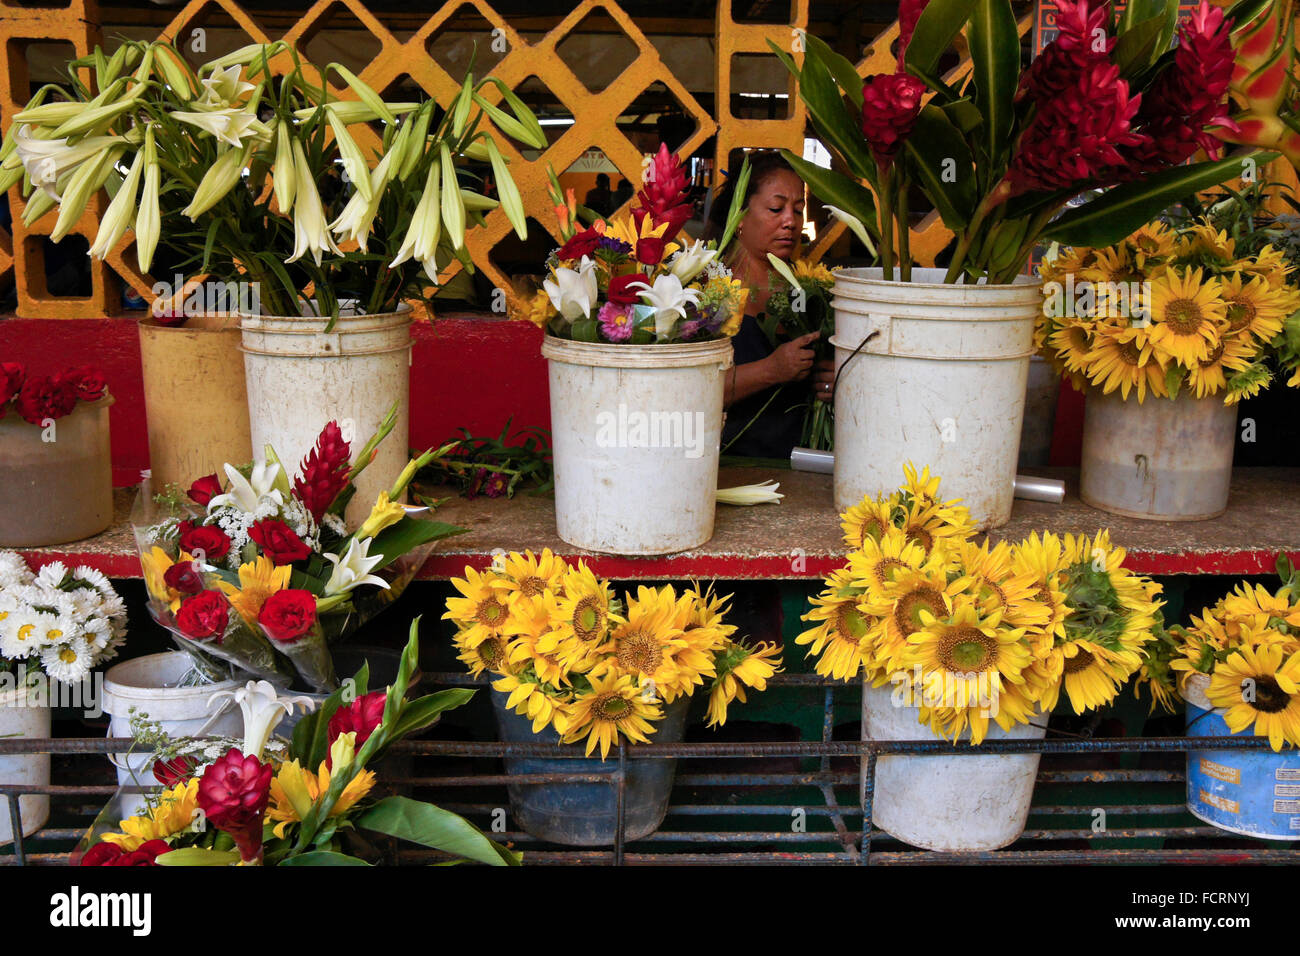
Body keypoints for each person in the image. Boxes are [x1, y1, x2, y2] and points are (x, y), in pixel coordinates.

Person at [706, 151, 835, 460]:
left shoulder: (811, 288)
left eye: (798, 209)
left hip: (801, 463)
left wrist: (833, 381)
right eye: (776, 208)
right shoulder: (706, 290)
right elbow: (685, 392)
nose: (790, 222)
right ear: (740, 215)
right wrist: (771, 370)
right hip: (729, 464)